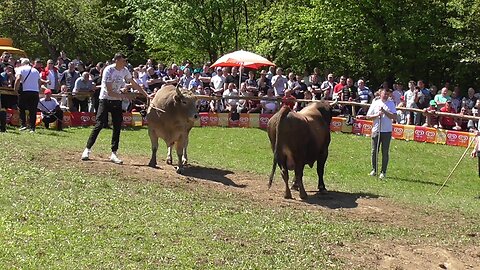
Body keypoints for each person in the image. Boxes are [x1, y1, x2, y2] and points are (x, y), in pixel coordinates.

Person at [81, 53, 149, 164]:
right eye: (123, 61)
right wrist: (125, 96)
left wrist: (146, 95)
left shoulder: (125, 70)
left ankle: (114, 153)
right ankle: (87, 150)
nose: (125, 63)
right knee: (99, 124)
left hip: (116, 101)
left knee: (117, 126)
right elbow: (109, 91)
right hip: (105, 99)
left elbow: (134, 83)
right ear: (117, 60)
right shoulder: (109, 70)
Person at [366, 88, 397, 179]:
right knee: (374, 151)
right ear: (380, 93)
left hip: (386, 131)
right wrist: (377, 115)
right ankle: (374, 169)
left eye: (387, 94)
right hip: (376, 130)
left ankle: (383, 171)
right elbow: (368, 116)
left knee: (385, 152)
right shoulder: (375, 102)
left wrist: (384, 111)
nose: (386, 96)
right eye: (384, 94)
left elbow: (394, 116)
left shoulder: (391, 103)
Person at [14, 58, 41, 133]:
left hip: (25, 91)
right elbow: (39, 82)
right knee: (33, 110)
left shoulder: (21, 69)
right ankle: (32, 127)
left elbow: (18, 79)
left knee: (21, 108)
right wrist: (37, 90)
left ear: (22, 63)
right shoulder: (36, 70)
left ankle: (23, 124)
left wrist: (15, 89)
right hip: (35, 92)